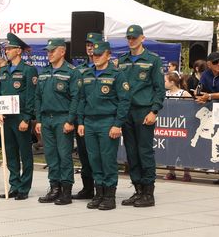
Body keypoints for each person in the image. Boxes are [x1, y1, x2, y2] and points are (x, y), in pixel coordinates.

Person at [78, 41, 131, 210]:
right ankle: (99, 193)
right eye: (94, 55)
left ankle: (109, 196)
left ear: (108, 55)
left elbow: (124, 101)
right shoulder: (87, 74)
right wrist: (80, 122)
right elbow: (81, 99)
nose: (96, 57)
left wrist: (117, 124)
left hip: (107, 121)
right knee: (94, 159)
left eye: (99, 55)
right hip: (89, 122)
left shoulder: (116, 74)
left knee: (107, 159)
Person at [118, 24, 165, 208]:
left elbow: (159, 89)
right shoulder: (122, 60)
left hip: (144, 111)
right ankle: (138, 189)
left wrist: (154, 111)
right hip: (126, 111)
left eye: (135, 37)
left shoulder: (153, 60)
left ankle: (148, 192)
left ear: (142, 38)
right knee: (131, 152)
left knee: (144, 152)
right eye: (129, 38)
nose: (131, 40)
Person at [35, 39, 80, 205]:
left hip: (63, 118)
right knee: (51, 155)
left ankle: (66, 190)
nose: (49, 54)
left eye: (53, 50)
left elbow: (76, 98)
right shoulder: (44, 71)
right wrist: (38, 119)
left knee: (64, 155)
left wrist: (70, 120)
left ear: (62, 51)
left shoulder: (71, 72)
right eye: (48, 51)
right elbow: (38, 97)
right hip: (46, 119)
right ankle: (54, 188)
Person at [0, 33, 38, 200]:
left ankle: (24, 188)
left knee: (25, 154)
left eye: (10, 48)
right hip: (7, 118)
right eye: (6, 49)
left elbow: (31, 96)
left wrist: (26, 118)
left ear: (18, 51)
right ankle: (14, 184)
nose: (6, 51)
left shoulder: (28, 70)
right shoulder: (4, 70)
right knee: (10, 153)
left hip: (21, 117)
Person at [73, 33, 102, 199]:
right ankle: (87, 188)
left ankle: (101, 190)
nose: (90, 48)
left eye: (93, 45)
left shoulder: (107, 68)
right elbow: (77, 95)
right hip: (82, 119)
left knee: (98, 156)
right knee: (84, 154)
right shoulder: (79, 69)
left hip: (99, 118)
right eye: (88, 45)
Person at [163, 72, 192, 182]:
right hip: (169, 127)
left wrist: (184, 119)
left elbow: (191, 109)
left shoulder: (184, 93)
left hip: (182, 127)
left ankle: (187, 173)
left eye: (165, 81)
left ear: (172, 82)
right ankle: (171, 172)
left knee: (184, 149)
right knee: (170, 149)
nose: (163, 83)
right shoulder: (165, 94)